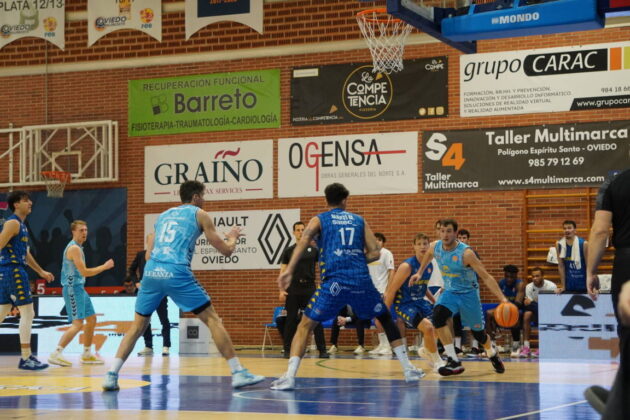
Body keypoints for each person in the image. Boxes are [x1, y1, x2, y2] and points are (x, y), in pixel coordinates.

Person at [102, 180, 264, 391]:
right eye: (203, 196)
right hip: (175, 271)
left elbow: (150, 253)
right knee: (212, 319)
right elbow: (226, 250)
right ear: (196, 197)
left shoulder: (163, 215)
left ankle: (111, 375)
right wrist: (232, 238)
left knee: (137, 326)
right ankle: (238, 372)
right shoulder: (199, 214)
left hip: (151, 272)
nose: (204, 201)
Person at [271, 183, 424, 390]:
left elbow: (304, 239)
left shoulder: (320, 219)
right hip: (360, 281)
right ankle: (408, 369)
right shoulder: (359, 220)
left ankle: (289, 376)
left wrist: (289, 269)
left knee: (305, 325)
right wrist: (356, 257)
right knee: (386, 318)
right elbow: (376, 252)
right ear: (345, 200)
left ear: (326, 201)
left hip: (334, 282)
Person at [411, 218, 508, 376]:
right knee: (438, 316)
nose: (445, 234)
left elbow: (486, 276)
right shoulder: (435, 246)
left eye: (449, 231)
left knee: (479, 334)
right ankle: (453, 359)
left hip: (469, 295)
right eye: (442, 231)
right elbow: (428, 256)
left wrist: (502, 299)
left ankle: (492, 353)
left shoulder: (466, 253)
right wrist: (419, 272)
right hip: (450, 292)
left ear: (455, 233)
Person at [584, 170, 630, 419]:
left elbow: (600, 231)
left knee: (628, 335)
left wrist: (591, 271)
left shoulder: (614, 181)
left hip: (626, 263)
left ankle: (622, 405)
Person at [48, 220, 115, 367]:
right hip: (72, 288)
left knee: (91, 319)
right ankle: (56, 353)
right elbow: (84, 271)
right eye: (81, 230)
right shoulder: (74, 249)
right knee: (77, 324)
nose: (84, 233)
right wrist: (104, 267)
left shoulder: (78, 247)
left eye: (85, 230)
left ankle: (86, 353)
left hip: (79, 288)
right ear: (73, 232)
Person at [0, 191, 54, 370]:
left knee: (2, 312)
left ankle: (26, 357)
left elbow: (26, 253)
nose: (30, 202)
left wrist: (40, 271)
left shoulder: (20, 225)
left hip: (10, 270)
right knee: (28, 313)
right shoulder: (13, 223)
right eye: (25, 200)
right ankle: (25, 357)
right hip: (13, 270)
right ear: (16, 204)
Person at [384, 233, 443, 371]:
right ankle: (437, 361)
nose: (423, 247)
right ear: (414, 247)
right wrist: (384, 311)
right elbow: (392, 289)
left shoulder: (429, 266)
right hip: (404, 304)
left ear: (429, 247)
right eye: (419, 244)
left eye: (425, 244)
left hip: (420, 301)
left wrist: (434, 301)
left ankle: (427, 350)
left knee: (440, 325)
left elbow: (423, 286)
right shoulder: (407, 266)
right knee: (428, 327)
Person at [279, 221, 328, 359]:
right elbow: (283, 271)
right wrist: (281, 290)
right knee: (290, 320)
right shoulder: (288, 251)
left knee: (315, 318)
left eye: (302, 229)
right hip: (293, 288)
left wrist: (323, 285)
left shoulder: (313, 250)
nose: (300, 232)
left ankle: (322, 350)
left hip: (309, 288)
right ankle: (287, 349)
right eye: (298, 230)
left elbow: (322, 267)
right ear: (293, 232)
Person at [130, 234, 172, 357]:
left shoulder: (163, 255)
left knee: (164, 319)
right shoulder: (140, 255)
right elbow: (131, 270)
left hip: (160, 292)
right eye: (151, 241)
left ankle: (166, 346)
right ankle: (148, 346)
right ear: (147, 242)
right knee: (144, 320)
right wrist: (136, 282)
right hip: (145, 293)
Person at [485, 264, 524, 357]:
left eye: (512, 277)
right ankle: (493, 344)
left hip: (517, 308)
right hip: (505, 307)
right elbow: (501, 299)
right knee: (489, 313)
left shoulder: (520, 284)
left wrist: (507, 310)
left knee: (515, 314)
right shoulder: (501, 283)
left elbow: (518, 303)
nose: (509, 279)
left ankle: (516, 345)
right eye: (507, 276)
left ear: (516, 276)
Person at [368, 232, 395, 355]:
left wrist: (388, 291)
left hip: (383, 291)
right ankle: (382, 344)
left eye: (379, 240)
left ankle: (388, 346)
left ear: (383, 242)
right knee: (376, 319)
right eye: (375, 240)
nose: (377, 242)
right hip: (372, 292)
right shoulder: (369, 254)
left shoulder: (386, 253)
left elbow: (391, 272)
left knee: (381, 319)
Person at [520, 267, 556, 358]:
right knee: (527, 315)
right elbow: (528, 305)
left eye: (537, 276)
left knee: (545, 315)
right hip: (536, 311)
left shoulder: (551, 286)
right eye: (533, 276)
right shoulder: (529, 287)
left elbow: (550, 305)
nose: (535, 278)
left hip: (549, 311)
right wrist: (534, 304)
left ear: (543, 276)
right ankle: (526, 347)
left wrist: (533, 303)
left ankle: (543, 347)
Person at [556, 220, 588, 293]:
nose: (567, 230)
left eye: (569, 228)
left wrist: (591, 285)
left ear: (575, 231)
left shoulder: (584, 244)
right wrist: (563, 286)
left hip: (584, 285)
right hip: (569, 285)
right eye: (564, 228)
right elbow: (561, 266)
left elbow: (589, 266)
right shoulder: (559, 244)